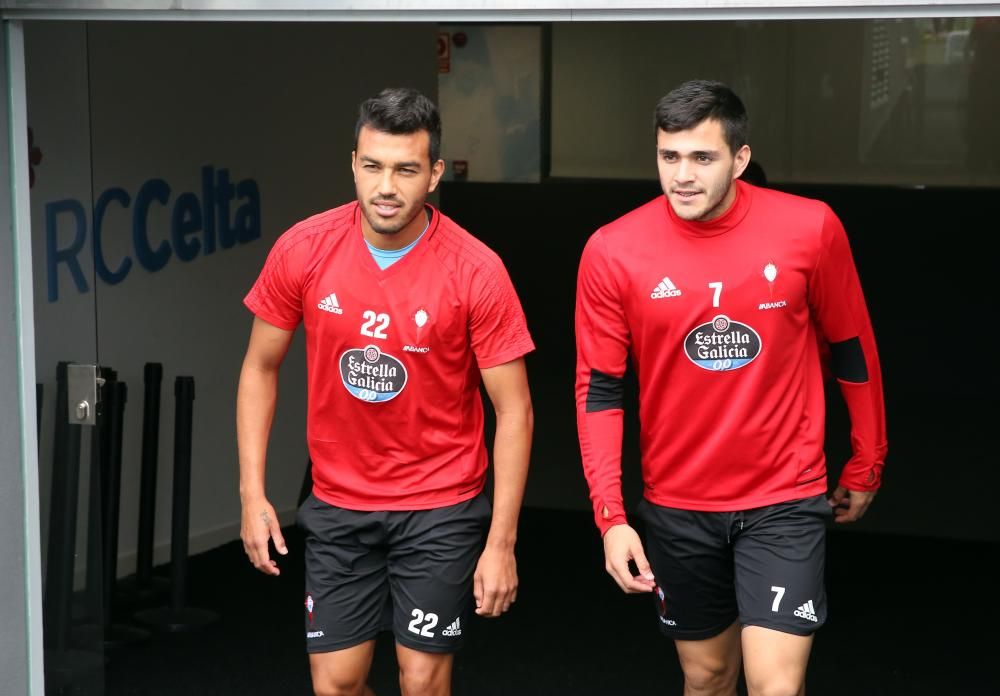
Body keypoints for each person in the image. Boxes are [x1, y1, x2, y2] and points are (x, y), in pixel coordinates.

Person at [574, 80, 886, 696]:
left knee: (775, 684)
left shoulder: (811, 228)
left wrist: (867, 460)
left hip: (784, 497)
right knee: (709, 676)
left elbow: (853, 350)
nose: (682, 176)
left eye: (703, 157)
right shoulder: (613, 250)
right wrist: (610, 515)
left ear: (740, 159)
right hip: (678, 505)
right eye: (670, 157)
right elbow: (601, 392)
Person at [237, 87, 534, 696]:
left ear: (434, 174)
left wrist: (501, 543)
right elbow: (259, 368)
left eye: (405, 169)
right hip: (340, 503)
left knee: (421, 680)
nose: (386, 187)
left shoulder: (476, 270)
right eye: (372, 166)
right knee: (337, 685)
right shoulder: (304, 248)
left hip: (439, 505)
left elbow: (515, 410)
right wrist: (252, 493)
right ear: (352, 163)